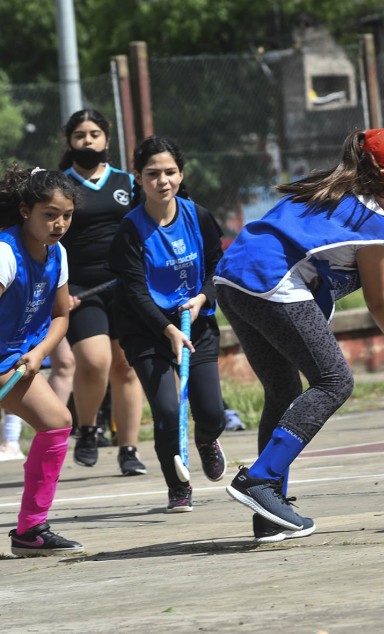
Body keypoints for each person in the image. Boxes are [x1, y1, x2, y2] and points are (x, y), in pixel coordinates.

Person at [214, 128, 384, 542]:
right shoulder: (373, 220)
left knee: (282, 391)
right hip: (271, 283)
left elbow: (383, 287)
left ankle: (269, 513)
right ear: (382, 174)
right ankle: (259, 481)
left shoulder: (326, 193)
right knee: (335, 380)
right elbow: (377, 298)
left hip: (232, 281)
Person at [108, 136, 229, 512]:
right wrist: (167, 329)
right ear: (138, 178)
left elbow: (217, 269)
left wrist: (203, 298)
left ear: (181, 174)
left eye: (170, 172)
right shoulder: (130, 229)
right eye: (152, 174)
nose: (162, 181)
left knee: (212, 413)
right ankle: (178, 486)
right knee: (166, 411)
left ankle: (207, 441)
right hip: (146, 328)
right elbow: (134, 291)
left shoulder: (199, 216)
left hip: (196, 323)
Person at [1, 166, 84, 556]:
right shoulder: (5, 254)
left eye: (65, 215)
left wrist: (38, 354)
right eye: (49, 214)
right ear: (25, 211)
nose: (59, 224)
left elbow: (61, 316)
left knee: (57, 424)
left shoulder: (58, 254)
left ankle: (30, 530)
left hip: (16, 361)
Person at [58, 109, 146, 475]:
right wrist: (57, 291)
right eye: (80, 135)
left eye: (95, 134)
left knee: (126, 366)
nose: (88, 140)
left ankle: (129, 449)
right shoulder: (59, 185)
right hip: (80, 288)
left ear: (107, 140)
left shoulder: (128, 181)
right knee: (94, 361)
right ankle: (89, 429)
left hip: (124, 285)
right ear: (70, 141)